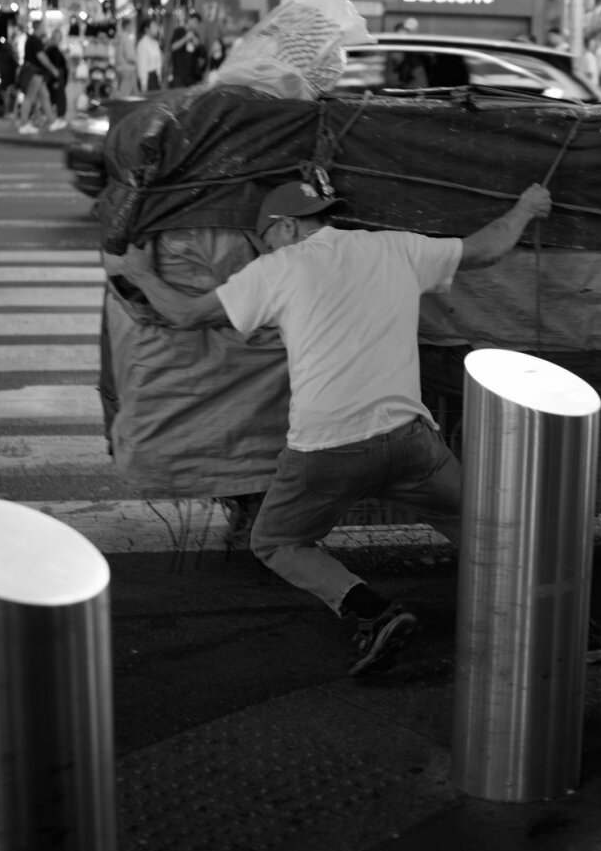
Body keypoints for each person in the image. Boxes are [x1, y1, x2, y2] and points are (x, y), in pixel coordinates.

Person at [163, 179, 554, 675]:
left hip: (325, 451)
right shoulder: (394, 247)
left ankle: (375, 613)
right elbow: (485, 249)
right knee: (484, 529)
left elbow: (184, 314)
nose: (266, 248)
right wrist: (525, 205)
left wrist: (133, 271)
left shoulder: (278, 267)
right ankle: (566, 630)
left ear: (285, 227)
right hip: (410, 443)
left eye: (266, 239)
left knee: (275, 543)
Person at [169, 10, 208, 89]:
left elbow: (202, 54)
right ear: (189, 20)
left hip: (192, 75)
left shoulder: (196, 35)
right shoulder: (179, 31)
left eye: (197, 23)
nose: (195, 24)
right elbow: (173, 47)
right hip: (179, 75)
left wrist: (197, 45)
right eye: (194, 21)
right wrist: (185, 38)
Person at [44, 28, 70, 131]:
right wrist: (56, 80)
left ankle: (54, 119)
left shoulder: (53, 48)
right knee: (58, 99)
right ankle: (58, 119)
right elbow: (56, 65)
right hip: (56, 78)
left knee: (53, 99)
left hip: (56, 78)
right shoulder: (53, 49)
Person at [135, 16, 164, 93]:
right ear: (146, 29)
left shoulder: (155, 43)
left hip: (155, 77)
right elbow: (142, 64)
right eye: (154, 26)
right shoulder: (143, 43)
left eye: (156, 26)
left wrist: (159, 77)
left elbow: (158, 62)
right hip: (147, 78)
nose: (156, 28)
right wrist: (143, 83)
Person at [114, 17, 138, 96]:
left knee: (123, 92)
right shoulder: (126, 39)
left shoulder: (119, 38)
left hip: (120, 68)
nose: (133, 28)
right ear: (128, 26)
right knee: (126, 95)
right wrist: (137, 60)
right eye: (132, 25)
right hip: (128, 70)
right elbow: (130, 56)